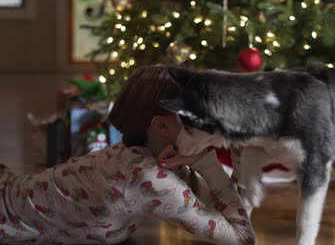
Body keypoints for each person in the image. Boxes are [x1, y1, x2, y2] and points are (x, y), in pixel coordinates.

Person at [0, 65, 255, 245]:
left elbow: (207, 207)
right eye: (190, 114)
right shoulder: (150, 177)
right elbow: (242, 237)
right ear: (161, 126)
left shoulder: (145, 155)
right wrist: (209, 165)